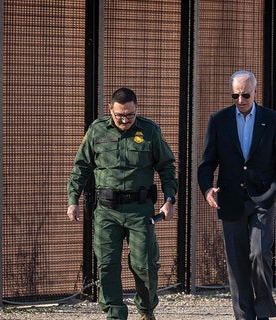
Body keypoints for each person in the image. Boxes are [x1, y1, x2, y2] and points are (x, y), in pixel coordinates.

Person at [67, 87, 178, 320]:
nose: (125, 119)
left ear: (136, 110)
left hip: (140, 210)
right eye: (120, 115)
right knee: (107, 266)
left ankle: (147, 311)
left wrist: (169, 200)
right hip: (107, 211)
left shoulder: (150, 131)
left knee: (145, 265)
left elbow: (167, 167)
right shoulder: (97, 130)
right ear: (110, 110)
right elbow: (81, 167)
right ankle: (115, 315)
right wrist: (73, 199)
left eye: (130, 114)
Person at [198, 70, 276, 320]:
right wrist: (207, 189)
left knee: (260, 255)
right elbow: (206, 164)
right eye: (235, 95)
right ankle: (244, 316)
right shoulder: (219, 120)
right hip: (230, 200)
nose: (240, 100)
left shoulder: (272, 120)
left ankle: (262, 312)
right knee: (237, 264)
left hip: (263, 199)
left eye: (245, 94)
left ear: (255, 92)